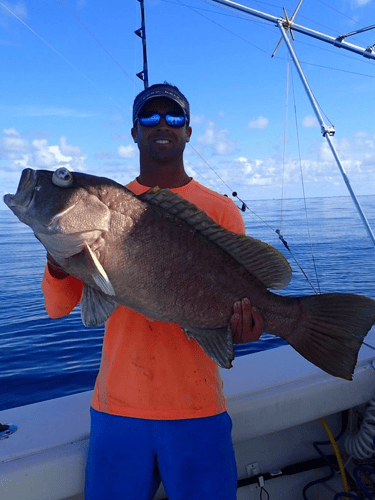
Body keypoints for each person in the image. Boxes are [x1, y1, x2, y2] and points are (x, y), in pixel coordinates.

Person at [42, 83, 264, 500]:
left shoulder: (221, 210)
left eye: (174, 117)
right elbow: (57, 308)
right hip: (117, 410)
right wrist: (58, 261)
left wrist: (244, 328)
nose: (162, 125)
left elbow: (239, 314)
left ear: (188, 132)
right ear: (134, 132)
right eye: (149, 117)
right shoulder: (97, 209)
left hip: (199, 409)